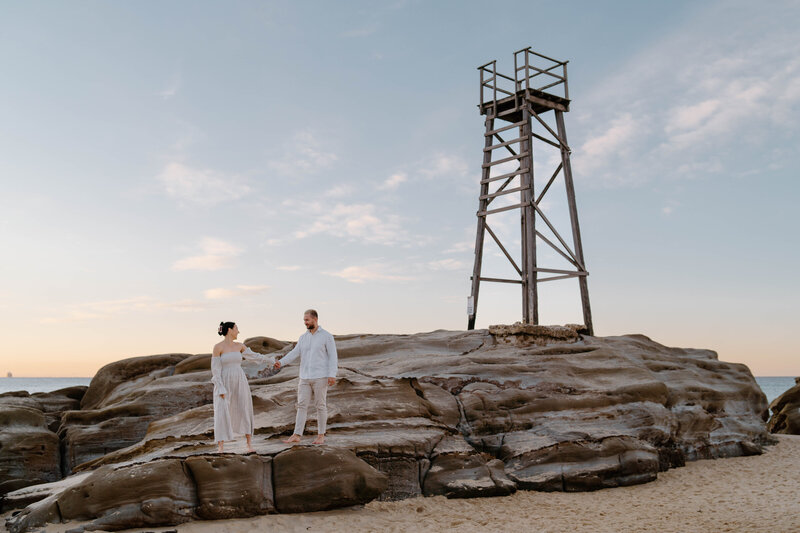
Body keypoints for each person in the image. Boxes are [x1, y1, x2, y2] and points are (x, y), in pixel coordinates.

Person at [274, 309, 337, 445]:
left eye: (307, 320)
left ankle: (321, 436)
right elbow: (294, 353)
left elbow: (333, 356)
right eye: (304, 320)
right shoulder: (303, 337)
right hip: (304, 377)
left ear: (315, 319)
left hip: (320, 376)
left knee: (320, 405)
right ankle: (296, 435)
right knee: (301, 405)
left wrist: (332, 374)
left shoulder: (326, 336)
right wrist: (281, 362)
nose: (305, 322)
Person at [212, 321, 274, 453]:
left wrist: (271, 360)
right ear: (229, 330)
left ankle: (249, 444)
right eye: (236, 329)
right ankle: (221, 446)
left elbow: (255, 357)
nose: (238, 331)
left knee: (244, 407)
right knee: (221, 410)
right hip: (224, 380)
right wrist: (220, 387)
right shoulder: (218, 347)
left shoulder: (240, 346)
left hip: (240, 379)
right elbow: (215, 370)